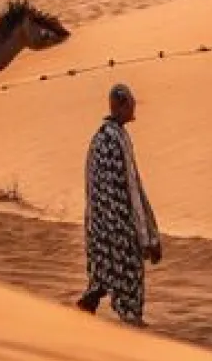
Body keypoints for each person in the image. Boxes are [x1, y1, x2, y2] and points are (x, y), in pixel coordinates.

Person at [77, 84, 161, 324]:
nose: (134, 108)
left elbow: (130, 184)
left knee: (106, 272)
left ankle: (89, 304)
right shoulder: (108, 139)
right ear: (120, 105)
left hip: (109, 222)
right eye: (130, 103)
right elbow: (121, 189)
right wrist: (142, 234)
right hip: (112, 223)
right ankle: (130, 316)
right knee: (127, 268)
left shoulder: (115, 136)